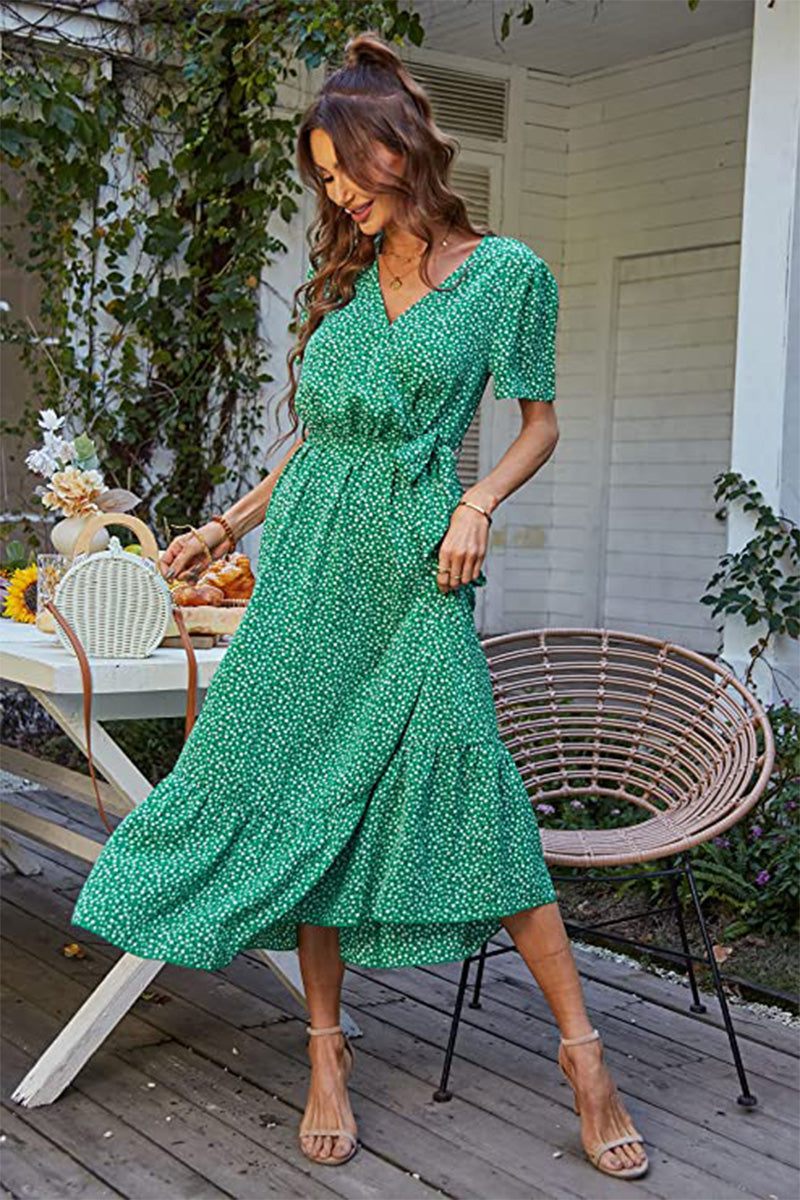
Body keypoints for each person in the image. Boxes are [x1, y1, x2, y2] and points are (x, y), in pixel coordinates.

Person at [71, 31, 648, 1181]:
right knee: (303, 794)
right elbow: (314, 442)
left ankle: (584, 1058)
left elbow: (538, 423)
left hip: (416, 567)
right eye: (323, 179)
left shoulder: (505, 275)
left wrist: (476, 500)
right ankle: (325, 1053)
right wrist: (224, 528)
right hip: (307, 574)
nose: (336, 194)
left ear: (399, 148)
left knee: (478, 795)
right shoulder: (344, 283)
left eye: (346, 170)